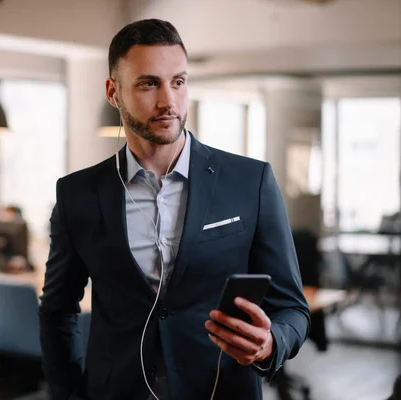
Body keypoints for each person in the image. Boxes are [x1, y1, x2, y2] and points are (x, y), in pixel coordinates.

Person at [39, 19, 310, 400]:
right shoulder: (77, 194)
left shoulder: (251, 181)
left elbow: (293, 309)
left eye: (178, 82)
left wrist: (269, 343)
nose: (168, 101)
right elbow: (57, 310)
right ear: (113, 92)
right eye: (149, 83)